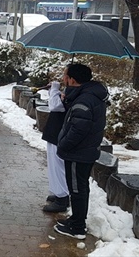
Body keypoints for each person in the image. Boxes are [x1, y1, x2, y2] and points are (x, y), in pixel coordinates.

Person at [53, 63, 108, 240]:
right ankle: (76, 219)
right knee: (79, 188)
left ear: (72, 80)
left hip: (79, 153)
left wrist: (63, 145)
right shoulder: (88, 95)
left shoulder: (85, 100)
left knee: (78, 190)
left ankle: (77, 228)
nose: (63, 79)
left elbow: (78, 130)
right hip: (84, 151)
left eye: (65, 76)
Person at [41, 81, 69, 213]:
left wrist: (55, 89)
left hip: (59, 132)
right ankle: (59, 193)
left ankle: (62, 198)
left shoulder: (73, 92)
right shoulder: (70, 90)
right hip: (55, 132)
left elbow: (55, 106)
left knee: (58, 166)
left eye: (65, 74)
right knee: (54, 165)